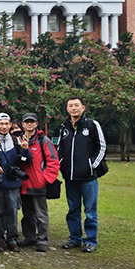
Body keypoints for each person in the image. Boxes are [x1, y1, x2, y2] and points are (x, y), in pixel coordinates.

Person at [57, 97, 107, 253]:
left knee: (90, 211)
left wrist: (91, 165)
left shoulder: (92, 125)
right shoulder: (64, 127)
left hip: (88, 178)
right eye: (70, 106)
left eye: (76, 105)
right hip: (70, 178)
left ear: (83, 107)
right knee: (73, 210)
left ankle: (90, 240)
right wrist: (63, 164)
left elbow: (102, 147)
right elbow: (59, 149)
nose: (73, 108)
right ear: (67, 109)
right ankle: (75, 238)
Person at [18, 113, 60, 253]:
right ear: (22, 124)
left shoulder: (44, 140)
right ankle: (29, 236)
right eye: (26, 122)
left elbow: (53, 162)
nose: (29, 124)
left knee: (41, 214)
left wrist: (45, 179)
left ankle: (42, 239)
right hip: (24, 185)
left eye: (32, 122)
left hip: (39, 184)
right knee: (27, 214)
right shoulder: (18, 139)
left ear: (36, 124)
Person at [0, 113, 32, 253]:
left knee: (12, 211)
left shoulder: (16, 140)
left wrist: (25, 150)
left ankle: (12, 238)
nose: (4, 126)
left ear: (10, 125)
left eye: (6, 123)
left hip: (13, 183)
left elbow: (27, 160)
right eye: (0, 123)